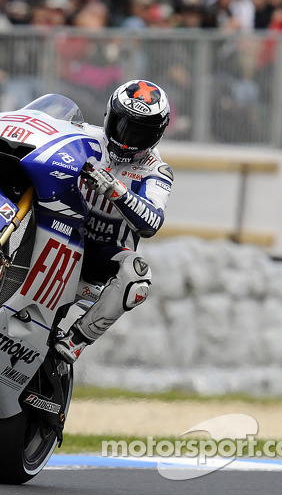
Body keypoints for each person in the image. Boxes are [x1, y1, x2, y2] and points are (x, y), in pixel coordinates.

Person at [54, 79, 173, 364]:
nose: (127, 138)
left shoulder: (158, 171)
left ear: (156, 136)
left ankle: (77, 339)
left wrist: (115, 190)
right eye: (122, 125)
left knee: (138, 274)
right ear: (109, 114)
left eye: (139, 133)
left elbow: (152, 222)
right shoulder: (83, 135)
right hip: (59, 233)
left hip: (101, 257)